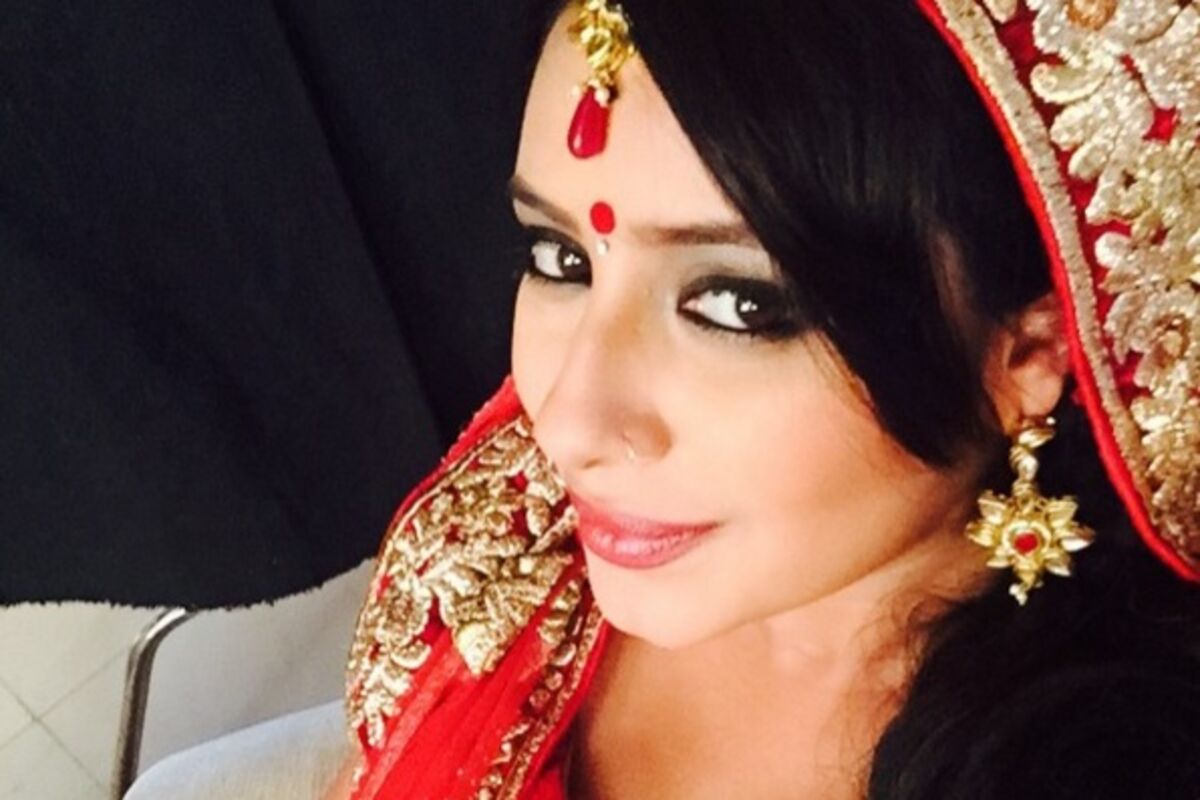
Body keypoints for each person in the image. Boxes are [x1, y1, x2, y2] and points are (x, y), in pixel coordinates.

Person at [324, 0, 1200, 797]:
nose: (568, 423)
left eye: (736, 306)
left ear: (1029, 352)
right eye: (561, 259)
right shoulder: (509, 547)